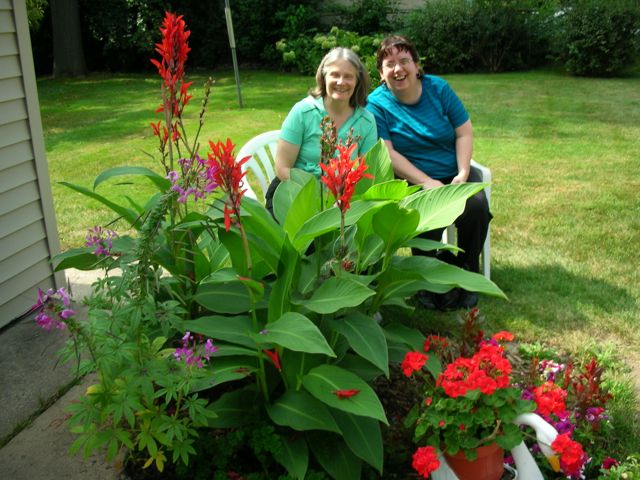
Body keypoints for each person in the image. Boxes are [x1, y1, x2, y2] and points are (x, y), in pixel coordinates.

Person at [366, 35, 492, 310]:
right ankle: (424, 277)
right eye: (390, 64)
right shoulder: (376, 103)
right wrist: (425, 182)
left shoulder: (439, 89)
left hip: (452, 170)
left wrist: (462, 172)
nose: (398, 69)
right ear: (381, 73)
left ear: (416, 64)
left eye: (404, 61)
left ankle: (468, 271)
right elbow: (387, 153)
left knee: (477, 207)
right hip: (411, 177)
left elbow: (464, 131)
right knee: (421, 212)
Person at [265, 47, 377, 212]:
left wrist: (342, 198)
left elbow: (365, 172)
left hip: (343, 201)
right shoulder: (303, 112)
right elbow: (282, 168)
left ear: (357, 81)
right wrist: (317, 200)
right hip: (295, 196)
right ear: (324, 77)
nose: (341, 82)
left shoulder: (366, 121)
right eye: (335, 75)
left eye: (348, 76)